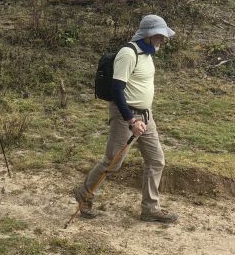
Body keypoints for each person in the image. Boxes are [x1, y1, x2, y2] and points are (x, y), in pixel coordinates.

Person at [74, 14, 179, 223]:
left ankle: (150, 209)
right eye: (159, 36)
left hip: (146, 116)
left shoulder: (148, 55)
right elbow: (117, 90)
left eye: (163, 36)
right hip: (126, 116)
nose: (162, 40)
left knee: (156, 160)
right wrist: (131, 120)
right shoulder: (128, 54)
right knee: (113, 162)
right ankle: (84, 194)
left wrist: (142, 116)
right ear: (147, 35)